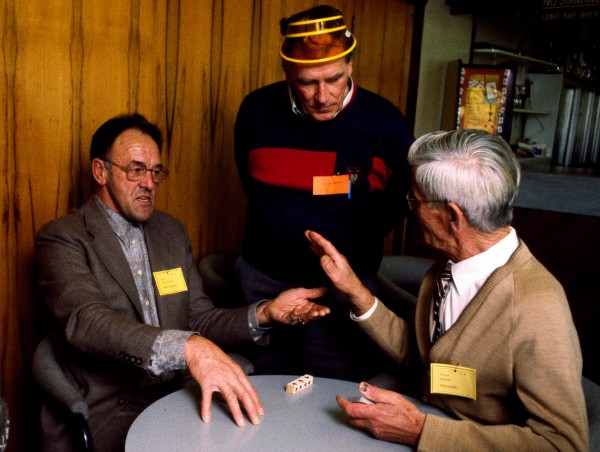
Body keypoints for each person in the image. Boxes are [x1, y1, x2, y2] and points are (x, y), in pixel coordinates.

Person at [35, 113, 330, 452]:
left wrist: (265, 313)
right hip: (110, 407)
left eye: (155, 171)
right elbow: (87, 321)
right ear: (101, 171)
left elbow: (198, 318)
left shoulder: (170, 232)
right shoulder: (63, 238)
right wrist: (188, 348)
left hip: (178, 394)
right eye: (135, 170)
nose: (149, 182)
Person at [305, 129, 589, 450]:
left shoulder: (538, 306)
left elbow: (562, 445)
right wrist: (354, 289)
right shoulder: (446, 266)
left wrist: (420, 431)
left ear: (451, 215)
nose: (411, 210)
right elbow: (423, 357)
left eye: (415, 200)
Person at [234, 4, 414, 381]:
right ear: (287, 72)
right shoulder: (255, 111)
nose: (322, 95)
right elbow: (251, 182)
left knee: (331, 393)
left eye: (333, 79)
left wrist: (355, 247)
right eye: (307, 83)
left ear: (350, 66)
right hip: (262, 281)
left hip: (341, 290)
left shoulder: (384, 122)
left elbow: (402, 199)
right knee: (261, 386)